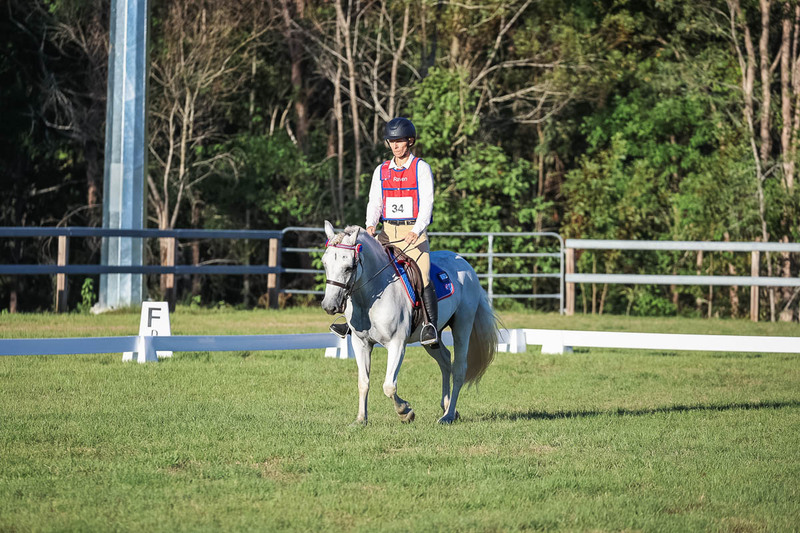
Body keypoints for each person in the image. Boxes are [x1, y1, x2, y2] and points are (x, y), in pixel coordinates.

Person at [330, 117, 438, 346]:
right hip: (387, 232)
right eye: (391, 141)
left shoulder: (421, 168)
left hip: (413, 234)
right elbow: (375, 201)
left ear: (409, 141)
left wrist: (417, 230)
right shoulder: (381, 170)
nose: (395, 146)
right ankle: (348, 320)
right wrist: (371, 223)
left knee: (424, 275)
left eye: (399, 141)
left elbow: (427, 203)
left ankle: (430, 327)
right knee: (360, 268)